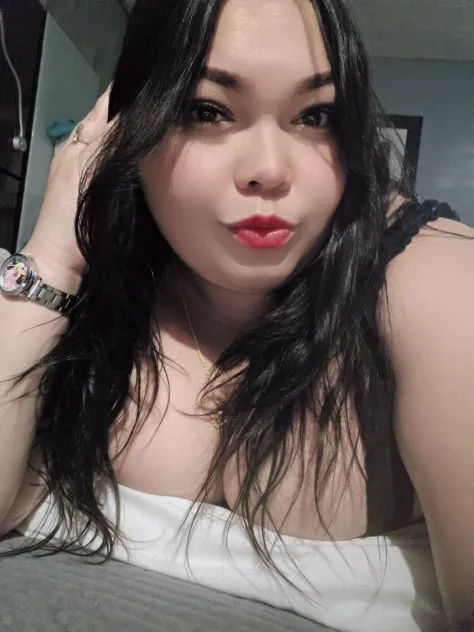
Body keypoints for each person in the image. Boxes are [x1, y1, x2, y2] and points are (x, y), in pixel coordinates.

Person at [0, 1, 473, 630]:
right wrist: (53, 255)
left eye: (315, 116)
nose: (269, 172)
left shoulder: (433, 275)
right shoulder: (90, 283)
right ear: (128, 128)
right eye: (207, 111)